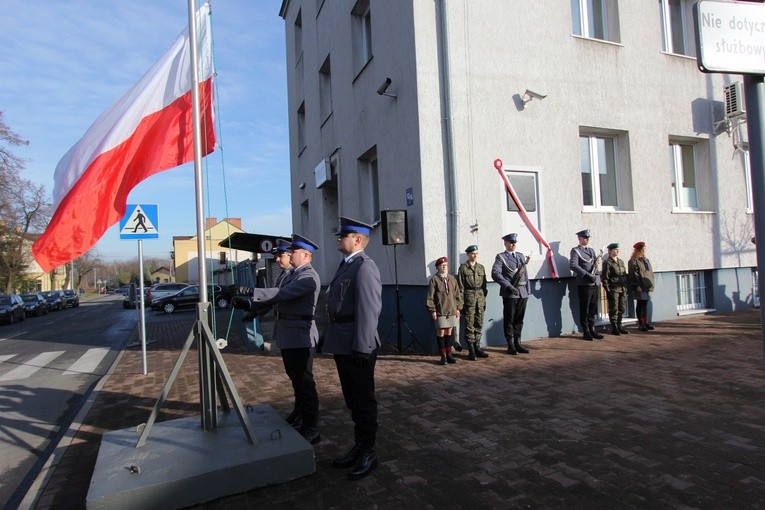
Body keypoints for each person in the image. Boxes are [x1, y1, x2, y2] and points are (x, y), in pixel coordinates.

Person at [322, 217, 382, 481]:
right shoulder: (346, 265)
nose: (338, 238)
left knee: (363, 399)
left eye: (343, 235)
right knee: (351, 399)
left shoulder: (364, 267)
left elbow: (369, 310)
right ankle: (359, 445)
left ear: (357, 239)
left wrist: (362, 347)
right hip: (343, 341)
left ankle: (368, 450)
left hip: (358, 345)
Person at [248, 235, 321, 445]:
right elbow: (276, 298)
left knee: (305, 383)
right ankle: (300, 415)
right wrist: (252, 309)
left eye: (293, 252)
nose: (289, 255)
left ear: (305, 255)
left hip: (301, 335)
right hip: (290, 333)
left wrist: (251, 293)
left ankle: (311, 426)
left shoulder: (309, 276)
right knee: (296, 380)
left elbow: (282, 294)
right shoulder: (292, 274)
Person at [491, 233, 531, 354]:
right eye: (510, 243)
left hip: (522, 291)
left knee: (520, 319)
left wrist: (528, 290)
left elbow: (525, 274)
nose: (513, 245)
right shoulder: (501, 257)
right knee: (509, 319)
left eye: (514, 243)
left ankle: (518, 342)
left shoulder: (520, 256)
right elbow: (495, 273)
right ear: (505, 244)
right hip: (510, 292)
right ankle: (510, 344)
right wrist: (508, 286)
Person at [426, 256, 463, 365]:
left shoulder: (452, 279)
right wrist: (432, 310)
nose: (444, 267)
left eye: (446, 265)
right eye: (442, 266)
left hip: (451, 309)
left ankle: (449, 354)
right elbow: (430, 297)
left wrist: (458, 308)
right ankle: (443, 356)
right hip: (441, 310)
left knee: (449, 331)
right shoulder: (435, 280)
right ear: (438, 267)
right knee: (441, 331)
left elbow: (457, 295)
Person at [569, 229, 603, 340]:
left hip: (594, 282)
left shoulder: (592, 251)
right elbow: (573, 265)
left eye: (588, 238)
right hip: (584, 283)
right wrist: (586, 275)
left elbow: (594, 265)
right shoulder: (576, 251)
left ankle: (592, 328)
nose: (587, 240)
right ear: (579, 238)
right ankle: (586, 330)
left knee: (593, 307)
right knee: (585, 307)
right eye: (585, 238)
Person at [457, 245, 489, 360]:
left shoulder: (481, 268)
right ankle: (471, 349)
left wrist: (483, 299)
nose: (474, 255)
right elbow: (461, 287)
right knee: (469, 324)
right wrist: (461, 304)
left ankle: (477, 347)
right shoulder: (463, 268)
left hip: (479, 298)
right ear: (468, 254)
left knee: (479, 323)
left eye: (476, 253)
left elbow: (484, 286)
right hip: (469, 298)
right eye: (472, 253)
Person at [601, 242, 630, 335]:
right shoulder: (608, 263)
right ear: (610, 251)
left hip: (622, 288)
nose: (617, 251)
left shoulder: (620, 261)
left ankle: (619, 325)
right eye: (615, 249)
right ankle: (614, 327)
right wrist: (607, 290)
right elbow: (605, 277)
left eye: (618, 250)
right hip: (613, 289)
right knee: (614, 308)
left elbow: (624, 274)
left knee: (621, 307)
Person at [628, 241, 655, 331]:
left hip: (647, 286)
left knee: (645, 304)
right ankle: (641, 323)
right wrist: (637, 285)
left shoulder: (645, 260)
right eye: (642, 250)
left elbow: (649, 273)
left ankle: (646, 322)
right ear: (638, 251)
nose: (644, 251)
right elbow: (633, 274)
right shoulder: (633, 261)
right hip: (640, 286)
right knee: (640, 304)